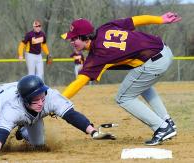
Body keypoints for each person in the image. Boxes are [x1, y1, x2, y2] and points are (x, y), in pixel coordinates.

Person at [61, 12, 182, 146]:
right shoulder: (105, 27)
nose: (71, 42)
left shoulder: (96, 56)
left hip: (154, 62)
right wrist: (160, 19)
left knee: (123, 97)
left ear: (84, 37)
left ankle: (162, 127)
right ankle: (166, 121)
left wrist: (58, 100)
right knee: (140, 84)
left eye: (74, 39)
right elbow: (135, 20)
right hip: (163, 50)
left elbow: (79, 82)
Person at [0, 75, 115, 162]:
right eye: (35, 99)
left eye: (42, 97)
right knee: (0, 145)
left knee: (39, 146)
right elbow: (0, 134)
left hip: (26, 106)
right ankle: (21, 128)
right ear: (25, 100)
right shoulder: (11, 108)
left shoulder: (50, 97)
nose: (41, 102)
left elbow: (72, 116)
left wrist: (93, 132)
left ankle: (22, 131)